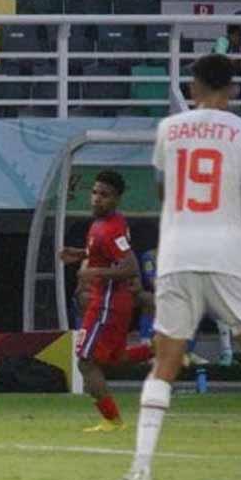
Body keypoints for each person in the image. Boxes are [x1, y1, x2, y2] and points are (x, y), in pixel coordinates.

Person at [120, 54, 241, 480]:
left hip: (177, 253)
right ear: (232, 89)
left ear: (193, 87)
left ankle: (141, 466)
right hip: (226, 253)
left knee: (166, 360)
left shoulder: (168, 129)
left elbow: (162, 187)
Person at [59, 171, 153, 433]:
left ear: (117, 199)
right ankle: (163, 348)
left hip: (107, 303)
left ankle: (112, 420)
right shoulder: (106, 223)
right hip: (112, 301)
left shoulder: (109, 229)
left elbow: (130, 266)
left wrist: (93, 272)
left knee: (86, 361)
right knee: (114, 358)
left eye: (105, 195)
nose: (97, 199)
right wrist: (80, 254)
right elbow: (106, 254)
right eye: (95, 193)